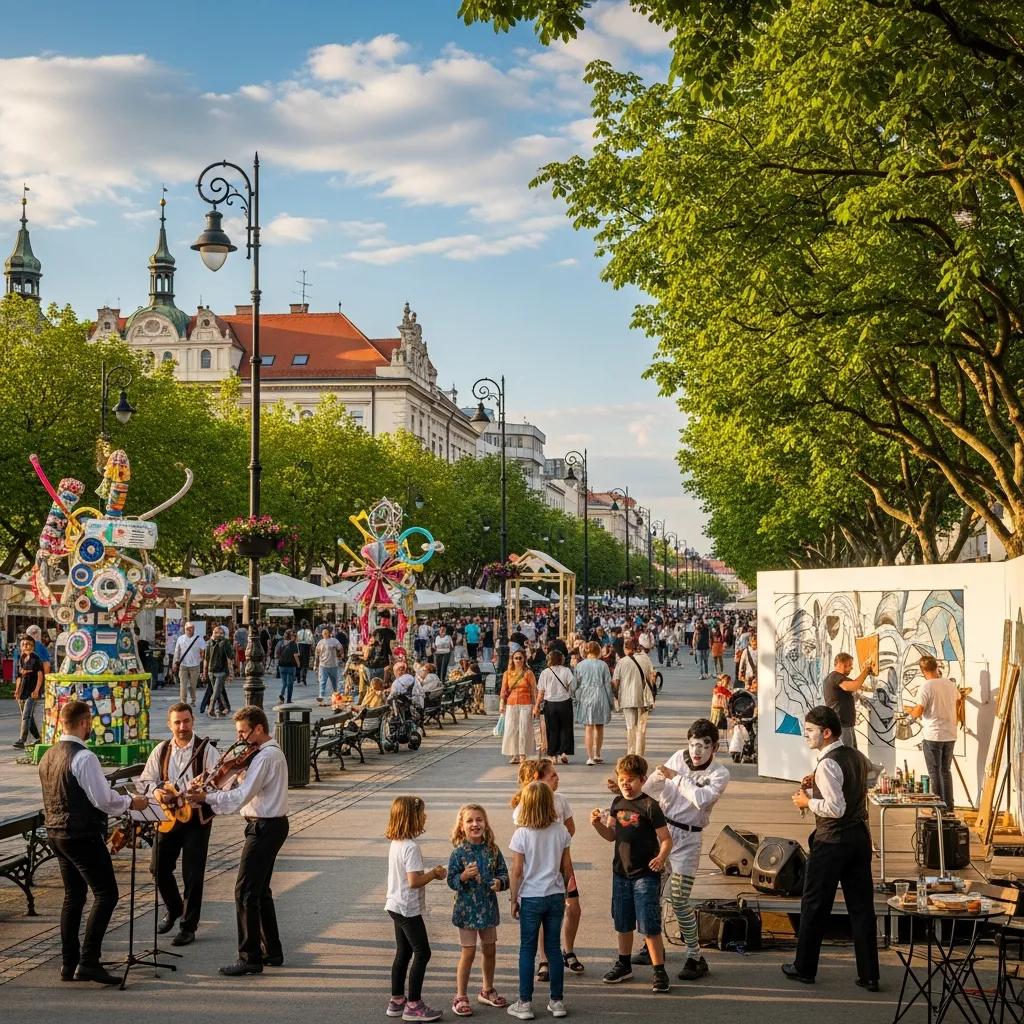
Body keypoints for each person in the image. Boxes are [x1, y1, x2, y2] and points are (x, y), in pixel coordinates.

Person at [39, 699, 150, 983]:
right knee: (106, 894)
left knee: (73, 896)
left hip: (56, 832)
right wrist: (131, 802)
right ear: (85, 722)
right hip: (82, 833)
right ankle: (88, 960)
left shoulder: (48, 754)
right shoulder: (84, 757)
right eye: (90, 723)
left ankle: (69, 962)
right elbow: (103, 799)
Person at [187, 706, 289, 976]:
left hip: (265, 827)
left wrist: (206, 798)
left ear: (258, 729)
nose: (240, 739)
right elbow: (236, 781)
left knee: (244, 892)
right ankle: (273, 951)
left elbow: (240, 796)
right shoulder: (261, 754)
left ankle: (250, 957)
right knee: (260, 891)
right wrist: (211, 781)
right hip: (270, 825)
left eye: (243, 732)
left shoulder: (265, 757)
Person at [784, 705, 879, 991]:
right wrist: (818, 788)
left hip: (832, 840)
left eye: (811, 731)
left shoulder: (826, 763)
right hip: (859, 838)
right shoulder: (855, 755)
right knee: (862, 908)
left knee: (814, 904)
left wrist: (807, 801)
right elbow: (868, 780)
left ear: (826, 733)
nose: (806, 736)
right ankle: (869, 974)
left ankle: (804, 967)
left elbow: (835, 808)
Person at [640, 720, 730, 980]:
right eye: (692, 745)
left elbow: (701, 800)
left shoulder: (720, 773)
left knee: (679, 899)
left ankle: (695, 956)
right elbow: (651, 789)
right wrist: (652, 780)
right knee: (652, 893)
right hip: (663, 831)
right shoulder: (678, 757)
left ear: (714, 747)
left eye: (703, 746)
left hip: (689, 839)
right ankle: (652, 945)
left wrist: (676, 777)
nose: (696, 751)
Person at [590, 754, 672, 993]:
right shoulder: (617, 803)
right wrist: (597, 824)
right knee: (623, 921)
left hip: (645, 874)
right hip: (621, 873)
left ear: (643, 780)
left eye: (631, 780)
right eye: (622, 779)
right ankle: (624, 964)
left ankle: (659, 971)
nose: (626, 784)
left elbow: (666, 839)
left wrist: (661, 857)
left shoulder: (650, 806)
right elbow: (611, 835)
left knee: (649, 924)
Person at [140, 703, 220, 947]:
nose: (182, 727)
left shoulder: (207, 750)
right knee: (158, 868)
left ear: (193, 721)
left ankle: (188, 926)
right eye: (177, 722)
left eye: (186, 721)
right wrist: (157, 793)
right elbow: (146, 780)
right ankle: (175, 908)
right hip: (168, 818)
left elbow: (221, 781)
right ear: (169, 724)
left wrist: (204, 788)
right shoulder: (162, 749)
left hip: (196, 820)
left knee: (192, 875)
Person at [512, 759, 585, 981]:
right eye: (552, 775)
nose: (557, 777)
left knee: (573, 908)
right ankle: (544, 959)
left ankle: (568, 950)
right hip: (538, 875)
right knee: (547, 915)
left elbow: (570, 829)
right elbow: (522, 847)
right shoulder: (524, 805)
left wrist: (555, 842)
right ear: (538, 779)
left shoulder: (561, 801)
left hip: (561, 865)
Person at [507, 781, 574, 1020]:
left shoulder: (521, 834)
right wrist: (567, 893)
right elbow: (566, 867)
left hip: (531, 896)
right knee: (554, 949)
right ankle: (557, 1001)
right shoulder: (561, 832)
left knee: (527, 949)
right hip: (554, 894)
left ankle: (524, 1002)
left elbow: (516, 871)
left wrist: (513, 899)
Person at [384, 795, 448, 1023]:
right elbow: (414, 881)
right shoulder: (411, 847)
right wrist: (434, 874)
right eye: (422, 813)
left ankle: (397, 1000)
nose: (425, 817)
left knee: (404, 952)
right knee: (423, 952)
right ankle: (414, 1004)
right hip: (407, 908)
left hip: (394, 904)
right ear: (412, 818)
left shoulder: (396, 843)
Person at [447, 804, 510, 1016]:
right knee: (469, 952)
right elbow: (451, 881)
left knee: (490, 949)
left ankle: (487, 989)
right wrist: (463, 877)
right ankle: (460, 995)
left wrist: (500, 884)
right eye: (470, 821)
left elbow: (504, 875)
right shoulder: (458, 853)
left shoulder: (492, 849)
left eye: (479, 820)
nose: (475, 824)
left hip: (488, 908)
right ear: (462, 826)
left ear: (485, 823)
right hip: (466, 910)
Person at [905, 655, 959, 810]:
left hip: (933, 734)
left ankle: (938, 807)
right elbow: (958, 697)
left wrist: (910, 712)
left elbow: (919, 711)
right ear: (937, 667)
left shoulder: (926, 687)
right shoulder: (949, 684)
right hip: (949, 733)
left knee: (934, 772)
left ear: (922, 671)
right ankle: (949, 807)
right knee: (945, 771)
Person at [613, 638, 657, 757]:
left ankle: (631, 753)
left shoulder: (621, 662)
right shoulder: (645, 659)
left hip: (627, 699)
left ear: (626, 649)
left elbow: (615, 682)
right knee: (641, 728)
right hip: (643, 698)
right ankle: (639, 754)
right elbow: (652, 677)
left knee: (630, 727)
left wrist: (616, 697)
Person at [822, 652, 875, 749]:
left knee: (851, 754)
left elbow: (856, 684)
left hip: (844, 724)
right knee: (847, 756)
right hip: (842, 725)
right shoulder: (835, 676)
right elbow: (854, 685)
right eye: (850, 665)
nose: (851, 668)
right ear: (842, 664)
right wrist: (866, 670)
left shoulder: (835, 678)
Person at [574, 640, 615, 766]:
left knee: (588, 727)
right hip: (600, 695)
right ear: (598, 651)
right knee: (599, 726)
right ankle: (597, 753)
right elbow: (608, 685)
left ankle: (590, 756)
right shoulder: (603, 665)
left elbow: (576, 684)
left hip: (586, 696)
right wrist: (611, 701)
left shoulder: (580, 665)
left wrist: (576, 699)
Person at [535, 650, 575, 764]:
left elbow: (541, 692)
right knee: (565, 729)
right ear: (561, 659)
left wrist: (537, 706)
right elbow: (572, 686)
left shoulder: (545, 673)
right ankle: (564, 752)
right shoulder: (566, 671)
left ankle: (553, 755)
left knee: (552, 730)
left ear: (549, 660)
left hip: (550, 704)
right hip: (565, 703)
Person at [500, 650, 538, 765]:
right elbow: (503, 690)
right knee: (511, 729)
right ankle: (514, 754)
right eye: (516, 658)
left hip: (526, 703)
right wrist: (501, 703)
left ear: (524, 659)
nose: (518, 660)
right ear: (512, 659)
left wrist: (536, 705)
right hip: (511, 703)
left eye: (520, 658)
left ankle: (522, 754)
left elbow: (534, 690)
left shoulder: (528, 673)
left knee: (524, 728)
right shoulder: (507, 673)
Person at [13, 634, 44, 748]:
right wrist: (17, 690)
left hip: (32, 692)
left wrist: (37, 690)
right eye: (24, 644)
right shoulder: (21, 658)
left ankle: (22, 740)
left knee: (26, 716)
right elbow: (19, 676)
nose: (26, 646)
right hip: (22, 691)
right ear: (20, 646)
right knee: (27, 717)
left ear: (33, 646)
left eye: (29, 644)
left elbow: (40, 675)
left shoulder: (35, 659)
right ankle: (38, 738)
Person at [172, 621, 206, 706]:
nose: (189, 630)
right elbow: (177, 652)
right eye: (188, 628)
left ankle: (193, 700)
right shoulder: (181, 638)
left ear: (194, 629)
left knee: (193, 685)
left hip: (195, 665)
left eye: (191, 628)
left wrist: (200, 659)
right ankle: (183, 702)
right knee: (183, 685)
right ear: (184, 629)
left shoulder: (199, 639)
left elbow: (203, 651)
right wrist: (174, 663)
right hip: (183, 665)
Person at [203, 625, 234, 717]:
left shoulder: (225, 642)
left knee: (216, 691)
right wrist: (204, 671)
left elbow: (231, 656)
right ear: (213, 633)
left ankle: (211, 708)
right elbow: (206, 658)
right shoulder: (209, 643)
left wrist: (225, 643)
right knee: (219, 691)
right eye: (216, 633)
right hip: (211, 670)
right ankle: (225, 707)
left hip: (222, 671)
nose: (219, 635)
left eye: (221, 633)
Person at [313, 626, 343, 706]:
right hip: (323, 665)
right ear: (322, 634)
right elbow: (317, 654)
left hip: (333, 665)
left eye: (326, 633)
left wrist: (340, 655)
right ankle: (321, 696)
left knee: (334, 683)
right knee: (322, 682)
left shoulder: (334, 641)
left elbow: (340, 648)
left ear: (329, 633)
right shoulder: (320, 642)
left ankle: (335, 697)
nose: (325, 634)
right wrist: (315, 664)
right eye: (323, 633)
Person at [367, 613, 397, 681]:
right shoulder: (392, 632)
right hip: (384, 664)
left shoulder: (376, 631)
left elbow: (371, 646)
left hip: (373, 664)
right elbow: (392, 650)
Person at [296, 620, 314, 686]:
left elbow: (297, 641)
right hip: (306, 647)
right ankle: (304, 677)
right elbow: (311, 640)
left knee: (299, 662)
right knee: (305, 663)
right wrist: (312, 648)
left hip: (300, 647)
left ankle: (298, 677)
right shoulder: (309, 632)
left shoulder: (298, 632)